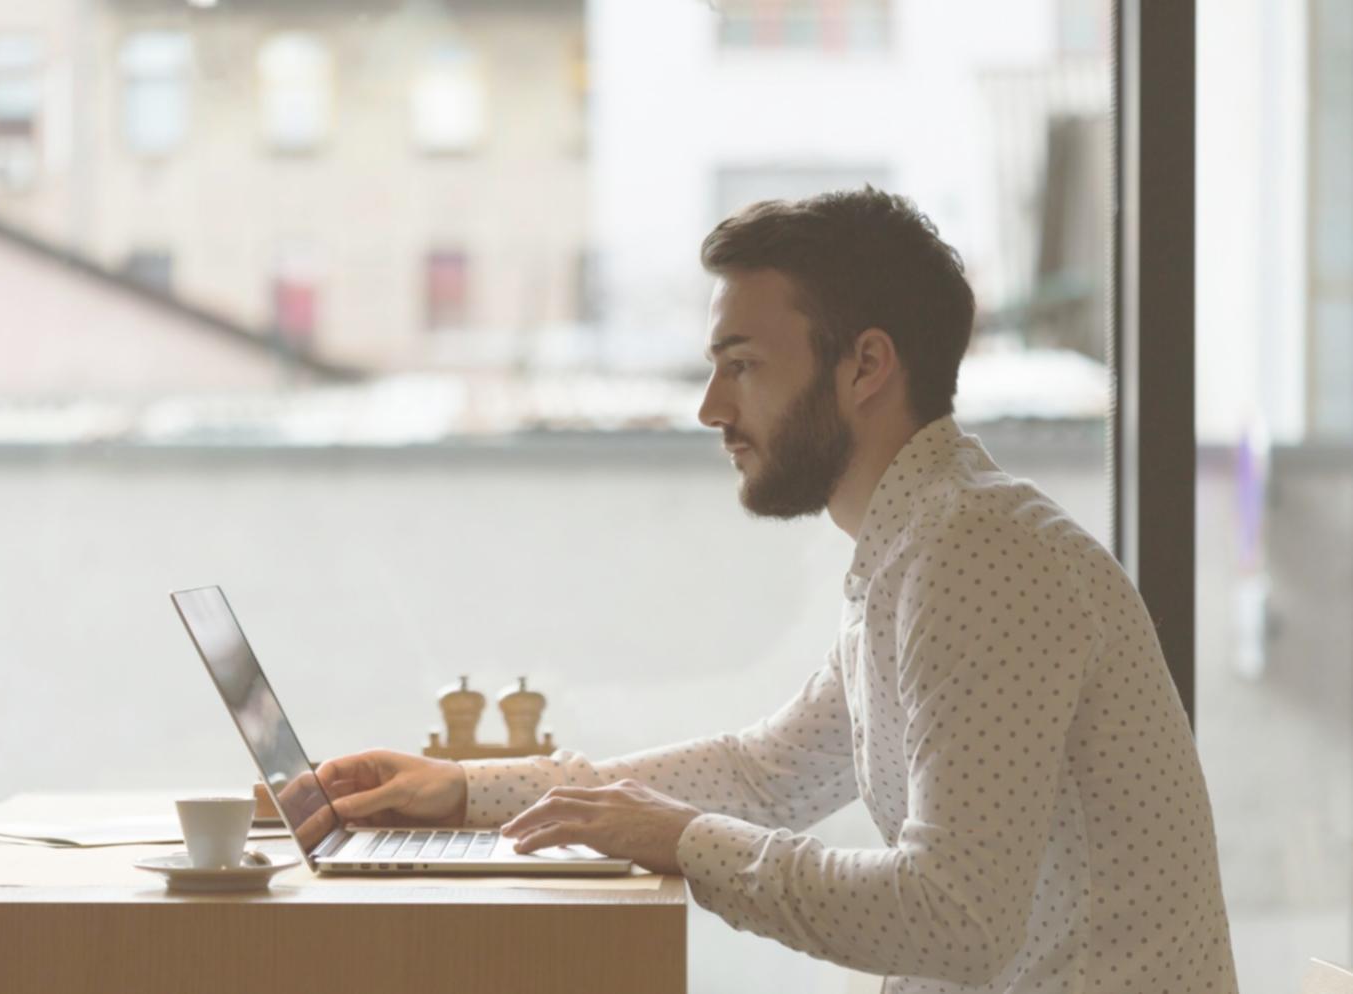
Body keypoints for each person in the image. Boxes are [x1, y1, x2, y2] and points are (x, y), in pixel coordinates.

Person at [314, 189, 1239, 991]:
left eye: (743, 364)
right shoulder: (918, 545)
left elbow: (956, 918)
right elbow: (768, 773)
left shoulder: (978, 553)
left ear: (866, 366)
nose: (712, 406)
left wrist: (680, 840)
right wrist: (468, 791)